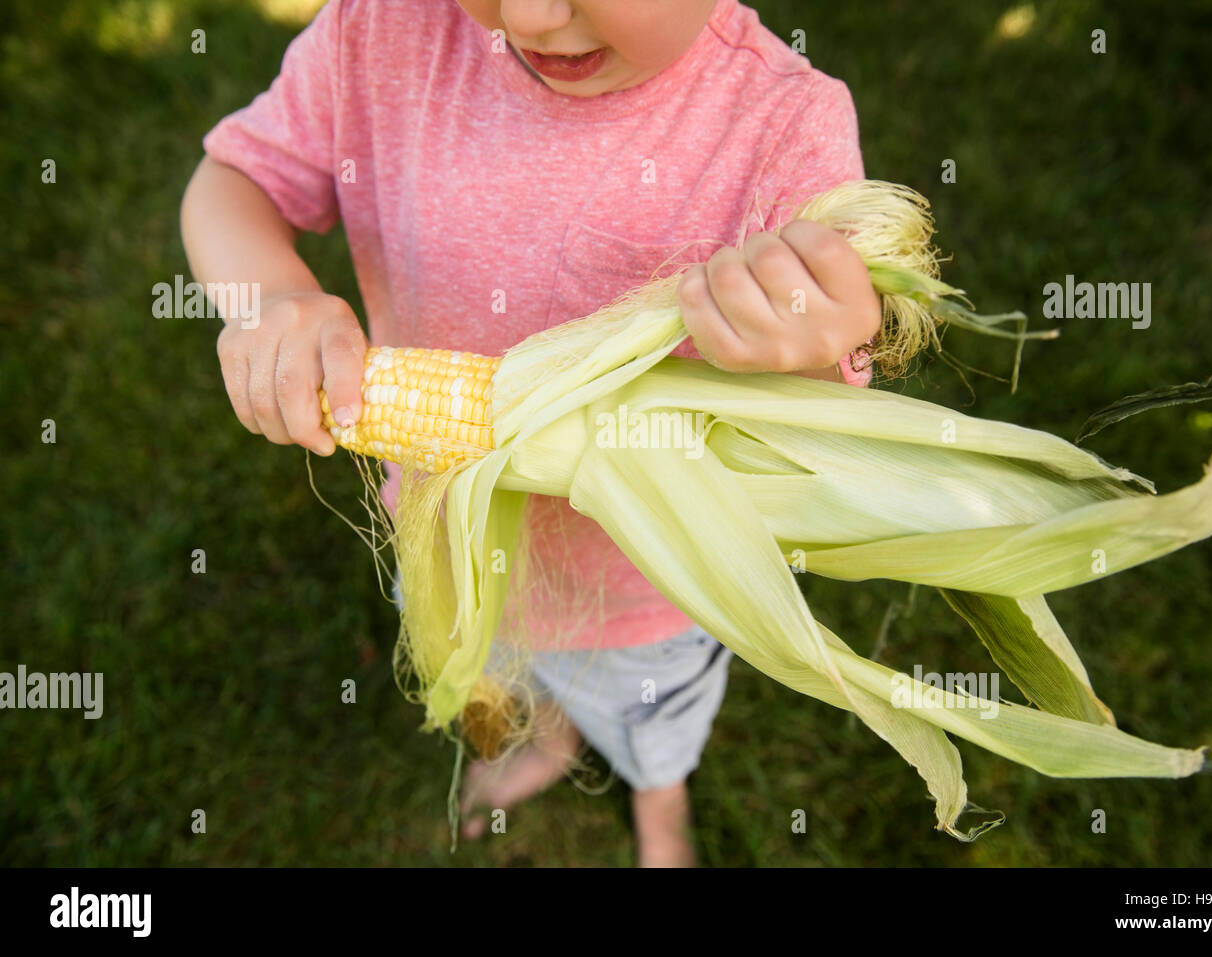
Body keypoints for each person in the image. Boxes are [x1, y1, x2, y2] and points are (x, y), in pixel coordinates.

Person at [180, 0, 881, 867]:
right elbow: (233, 179)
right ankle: (550, 741)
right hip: (444, 536)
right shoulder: (381, 32)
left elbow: (821, 415)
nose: (533, 16)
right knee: (500, 675)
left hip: (650, 588)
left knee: (652, 719)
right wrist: (271, 296)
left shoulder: (782, 124)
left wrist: (818, 344)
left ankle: (660, 800)